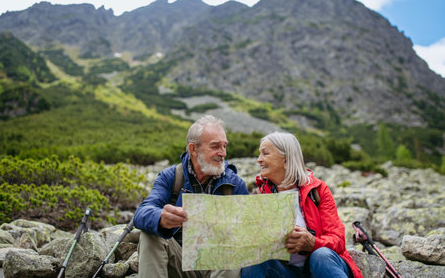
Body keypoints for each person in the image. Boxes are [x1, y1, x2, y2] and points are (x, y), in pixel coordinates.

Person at [133, 115, 249, 278]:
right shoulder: (172, 177)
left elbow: (251, 230)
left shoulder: (235, 184)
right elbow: (142, 212)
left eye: (224, 146)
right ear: (193, 149)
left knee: (230, 248)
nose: (222, 153)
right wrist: (161, 218)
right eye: (215, 146)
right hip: (180, 262)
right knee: (150, 232)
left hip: (219, 266)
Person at [241, 132, 362, 278]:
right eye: (260, 154)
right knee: (254, 260)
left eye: (265, 154)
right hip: (285, 271)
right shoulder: (260, 196)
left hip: (320, 268)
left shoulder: (317, 190)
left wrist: (313, 243)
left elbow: (339, 240)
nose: (259, 160)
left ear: (286, 159)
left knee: (321, 255)